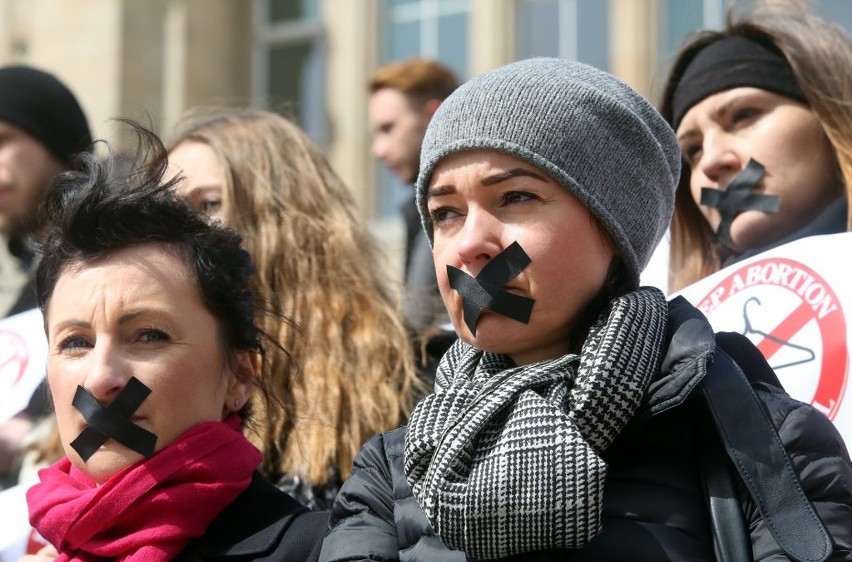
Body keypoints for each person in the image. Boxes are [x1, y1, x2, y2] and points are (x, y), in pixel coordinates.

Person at [319, 58, 852, 561]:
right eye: (445, 213)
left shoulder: (760, 442)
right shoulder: (388, 475)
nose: (470, 244)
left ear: (613, 227)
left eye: (516, 198)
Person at [20, 123, 327, 562]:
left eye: (148, 335)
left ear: (240, 376)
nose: (102, 377)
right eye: (75, 343)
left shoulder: (321, 550)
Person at [166, 108, 420, 510]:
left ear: (284, 219)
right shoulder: (145, 373)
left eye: (209, 204)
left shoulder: (405, 379)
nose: (179, 231)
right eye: (166, 210)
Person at [658, 4, 852, 293]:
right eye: (693, 150)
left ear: (830, 119)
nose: (710, 161)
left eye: (743, 116)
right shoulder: (670, 328)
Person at [0, 65, 92, 489]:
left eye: (3, 140)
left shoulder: (107, 270)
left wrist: (25, 441)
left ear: (58, 148)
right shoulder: (27, 282)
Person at [369, 58, 460, 371]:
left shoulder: (461, 215)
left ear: (433, 115)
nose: (378, 150)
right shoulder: (416, 210)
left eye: (388, 128)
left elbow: (416, 325)